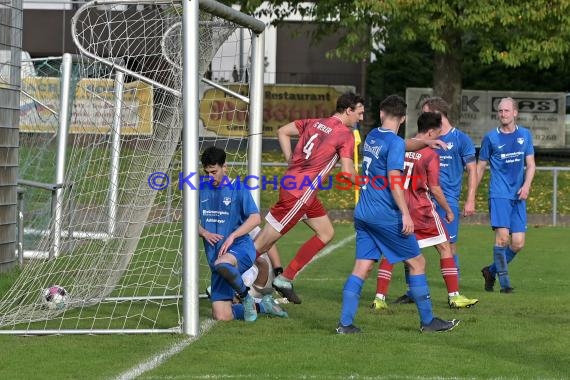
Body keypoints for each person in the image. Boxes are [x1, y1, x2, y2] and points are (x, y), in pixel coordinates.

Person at [336, 95, 459, 334]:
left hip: (363, 212)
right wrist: (405, 214)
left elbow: (401, 145)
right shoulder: (394, 144)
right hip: (384, 214)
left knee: (362, 266)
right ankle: (428, 321)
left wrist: (425, 143)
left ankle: (345, 324)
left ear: (382, 114)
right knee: (418, 262)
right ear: (403, 119)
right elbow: (395, 181)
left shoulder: (373, 136)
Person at [253, 92, 365, 304]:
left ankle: (285, 279)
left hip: (301, 191)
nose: (360, 118)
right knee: (262, 244)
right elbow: (347, 173)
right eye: (359, 113)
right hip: (298, 195)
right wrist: (372, 184)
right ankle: (223, 278)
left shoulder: (315, 122)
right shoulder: (345, 134)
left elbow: (282, 131)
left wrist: (291, 162)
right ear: (348, 110)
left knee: (326, 232)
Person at [370, 112, 479, 310]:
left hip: (398, 206)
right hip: (422, 210)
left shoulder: (400, 145)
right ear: (430, 132)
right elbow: (435, 188)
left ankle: (379, 298)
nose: (438, 137)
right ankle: (454, 296)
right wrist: (448, 210)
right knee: (445, 247)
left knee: (390, 252)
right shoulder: (430, 153)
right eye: (437, 133)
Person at [198, 146, 285, 321]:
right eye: (207, 172)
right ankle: (262, 306)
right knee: (222, 316)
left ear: (225, 167)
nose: (210, 177)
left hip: (240, 248)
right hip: (215, 255)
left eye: (214, 172)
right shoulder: (200, 189)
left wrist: (233, 236)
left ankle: (245, 298)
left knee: (223, 264)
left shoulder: (238, 188)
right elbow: (189, 220)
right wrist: (204, 232)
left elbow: (255, 218)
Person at [476, 97, 535, 293]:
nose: (502, 114)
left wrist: (526, 185)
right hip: (499, 194)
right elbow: (481, 166)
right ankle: (505, 285)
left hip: (518, 195)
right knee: (502, 239)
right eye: (500, 111)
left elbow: (531, 164)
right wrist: (471, 195)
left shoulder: (525, 135)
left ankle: (490, 271)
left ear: (515, 113)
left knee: (518, 243)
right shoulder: (491, 138)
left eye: (506, 111)